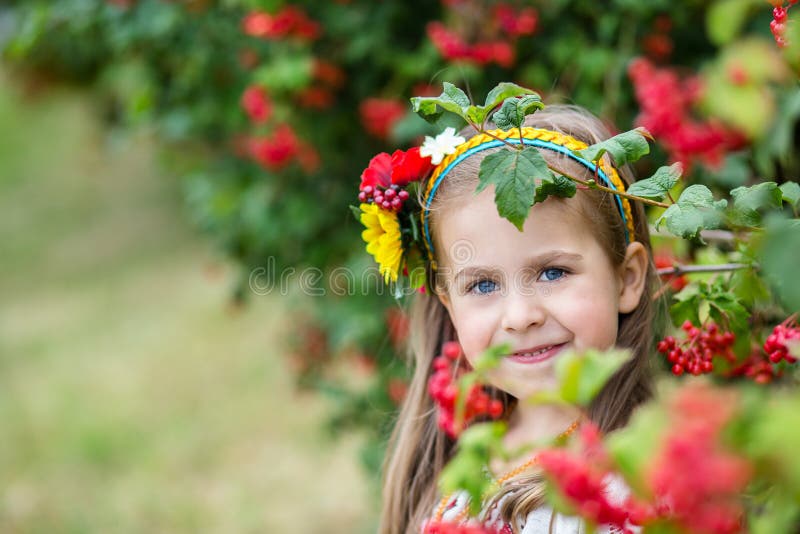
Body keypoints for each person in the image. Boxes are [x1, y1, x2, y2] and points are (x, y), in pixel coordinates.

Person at [356, 104, 661, 534]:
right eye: (482, 285)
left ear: (626, 279)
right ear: (448, 303)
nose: (520, 317)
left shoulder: (633, 488)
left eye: (553, 272)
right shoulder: (458, 456)